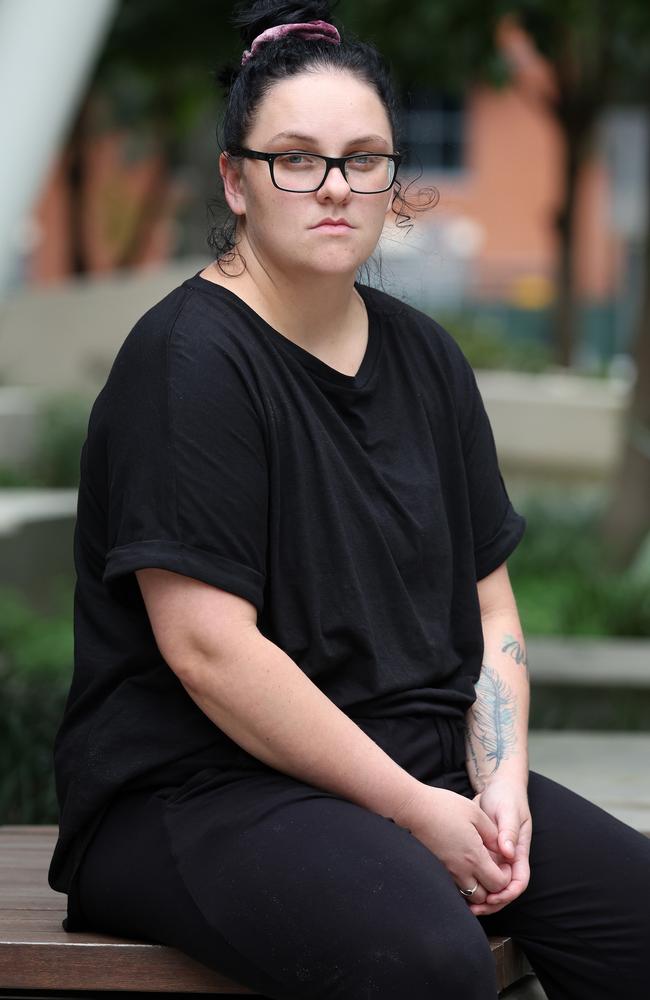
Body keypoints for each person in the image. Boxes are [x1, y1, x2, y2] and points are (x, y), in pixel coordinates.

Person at [48, 2, 650, 998]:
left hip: (417, 767)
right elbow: (209, 648)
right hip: (197, 789)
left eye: (361, 158)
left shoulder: (424, 355)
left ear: (390, 182)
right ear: (234, 180)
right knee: (420, 963)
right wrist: (417, 811)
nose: (332, 186)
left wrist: (496, 785)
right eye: (295, 157)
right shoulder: (189, 360)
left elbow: (487, 604)